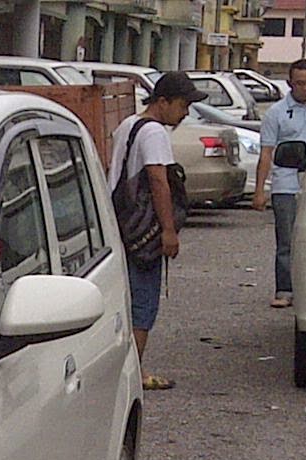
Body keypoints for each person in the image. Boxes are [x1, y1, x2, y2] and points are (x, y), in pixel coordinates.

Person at [109, 71, 206, 390]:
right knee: (143, 305)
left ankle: (126, 371)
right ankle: (133, 375)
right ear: (162, 102)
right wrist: (168, 231)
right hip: (142, 231)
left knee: (127, 300)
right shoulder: (154, 133)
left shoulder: (129, 125)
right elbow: (157, 180)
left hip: (121, 223)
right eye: (182, 104)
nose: (186, 112)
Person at [253, 58, 306, 308]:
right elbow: (266, 153)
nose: (305, 88)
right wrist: (260, 190)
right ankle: (285, 289)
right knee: (286, 240)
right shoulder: (276, 113)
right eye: (299, 83)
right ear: (290, 83)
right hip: (285, 183)